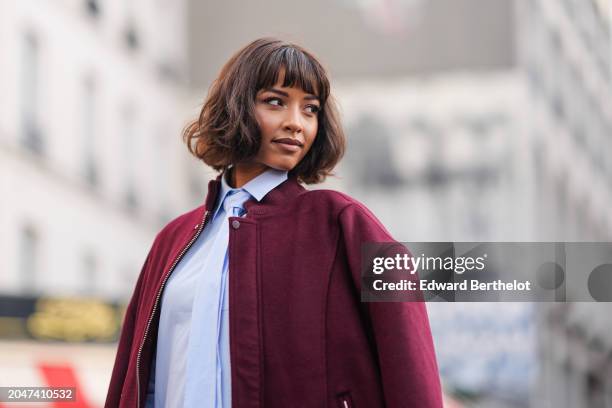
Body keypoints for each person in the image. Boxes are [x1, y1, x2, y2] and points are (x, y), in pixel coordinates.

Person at [105, 37, 442, 408]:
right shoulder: (173, 240)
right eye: (275, 102)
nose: (296, 123)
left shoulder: (343, 223)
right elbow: (135, 379)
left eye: (310, 109)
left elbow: (410, 362)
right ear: (236, 107)